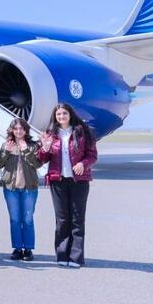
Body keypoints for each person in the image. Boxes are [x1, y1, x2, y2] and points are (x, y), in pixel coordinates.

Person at [38, 103, 98, 268]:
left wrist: (83, 164)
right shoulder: (51, 134)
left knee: (77, 219)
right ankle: (62, 255)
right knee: (62, 219)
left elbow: (92, 155)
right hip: (58, 181)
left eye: (64, 113)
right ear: (55, 117)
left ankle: (76, 257)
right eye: (58, 114)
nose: (61, 116)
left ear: (70, 114)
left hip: (79, 181)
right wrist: (45, 148)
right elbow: (41, 159)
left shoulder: (82, 131)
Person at [0, 118, 42, 261]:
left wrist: (26, 150)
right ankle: (17, 248)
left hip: (29, 187)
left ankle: (28, 249)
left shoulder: (33, 145)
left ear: (26, 130)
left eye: (21, 128)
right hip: (11, 188)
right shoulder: (7, 144)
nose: (18, 131)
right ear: (12, 130)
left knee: (27, 219)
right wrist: (6, 152)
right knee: (15, 219)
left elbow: (38, 164)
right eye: (15, 129)